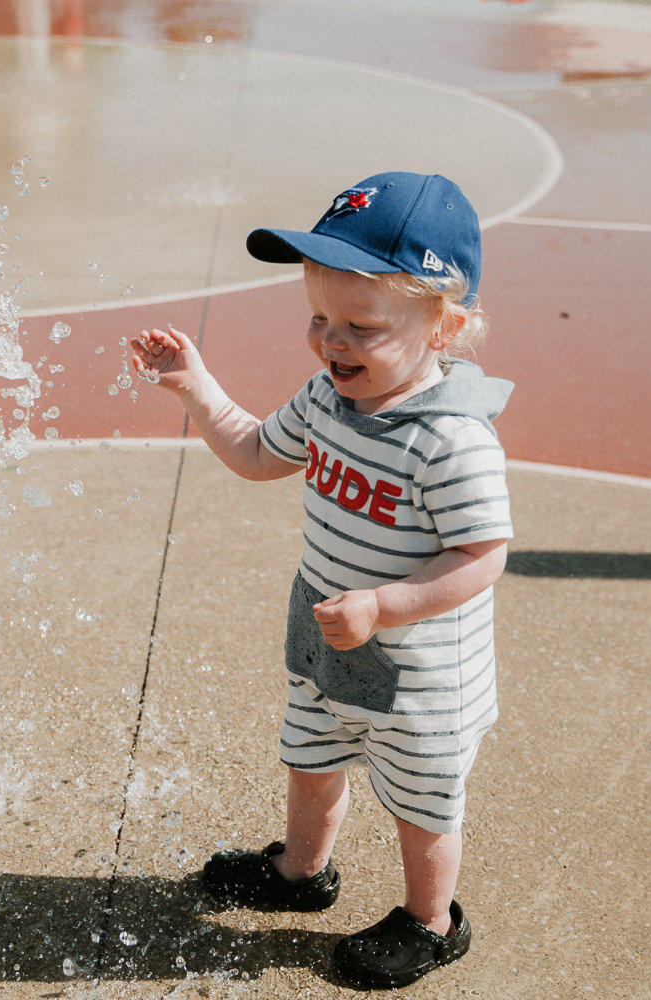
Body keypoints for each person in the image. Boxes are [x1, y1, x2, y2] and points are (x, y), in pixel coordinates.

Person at [129, 172, 512, 990]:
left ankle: (431, 921)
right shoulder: (327, 401)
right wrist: (197, 388)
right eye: (320, 318)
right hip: (327, 633)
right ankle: (301, 872)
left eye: (361, 328)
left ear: (444, 327)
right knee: (309, 756)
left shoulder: (452, 442)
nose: (331, 342)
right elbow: (258, 454)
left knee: (420, 802)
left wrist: (387, 604)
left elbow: (483, 556)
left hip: (420, 674)